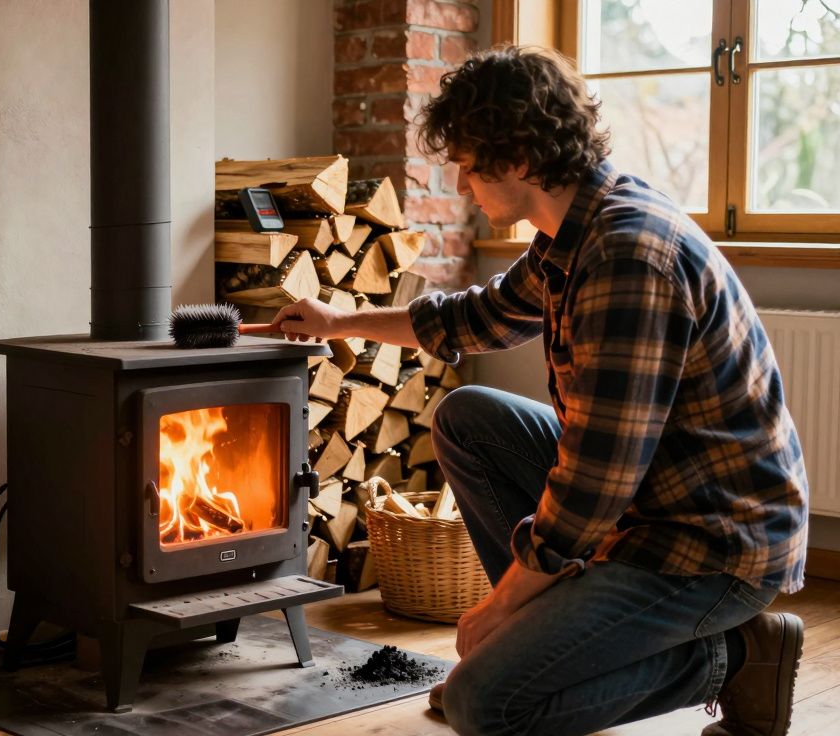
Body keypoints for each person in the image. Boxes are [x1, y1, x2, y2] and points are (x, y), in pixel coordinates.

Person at [271, 46, 809, 736]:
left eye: (468, 165)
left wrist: (499, 612)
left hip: (710, 544)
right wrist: (336, 322)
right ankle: (535, 640)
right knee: (469, 417)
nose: (463, 186)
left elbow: (595, 481)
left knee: (483, 704)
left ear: (519, 158)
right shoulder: (572, 232)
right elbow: (472, 318)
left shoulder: (625, 255)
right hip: (653, 504)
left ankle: (734, 655)